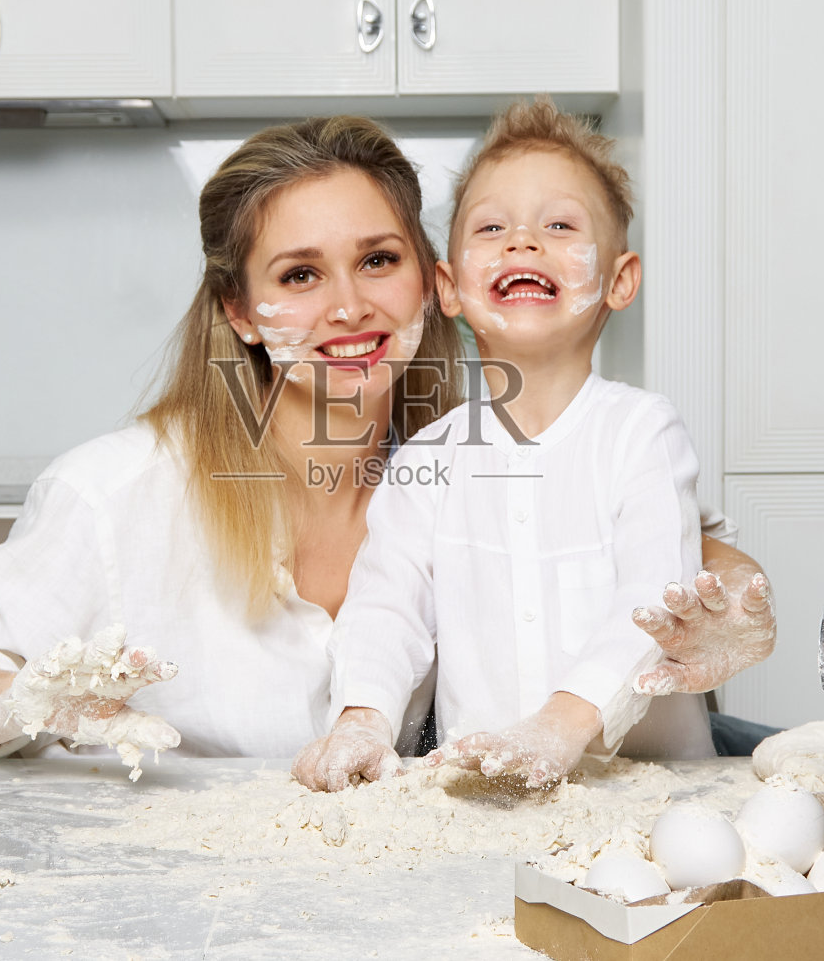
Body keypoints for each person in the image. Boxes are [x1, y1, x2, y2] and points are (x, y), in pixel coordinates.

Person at [0, 114, 772, 766]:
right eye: (298, 274)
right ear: (242, 311)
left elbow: (643, 540)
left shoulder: (450, 456)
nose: (349, 306)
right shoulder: (118, 492)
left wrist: (733, 589)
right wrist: (27, 700)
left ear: (430, 283)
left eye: (378, 259)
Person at [293, 100, 774, 791]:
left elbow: (651, 597)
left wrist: (561, 724)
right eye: (492, 227)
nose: (522, 241)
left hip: (654, 797)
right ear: (449, 287)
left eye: (559, 225)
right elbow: (385, 607)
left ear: (619, 279)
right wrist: (362, 716)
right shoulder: (426, 462)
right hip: (482, 803)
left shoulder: (643, 433)